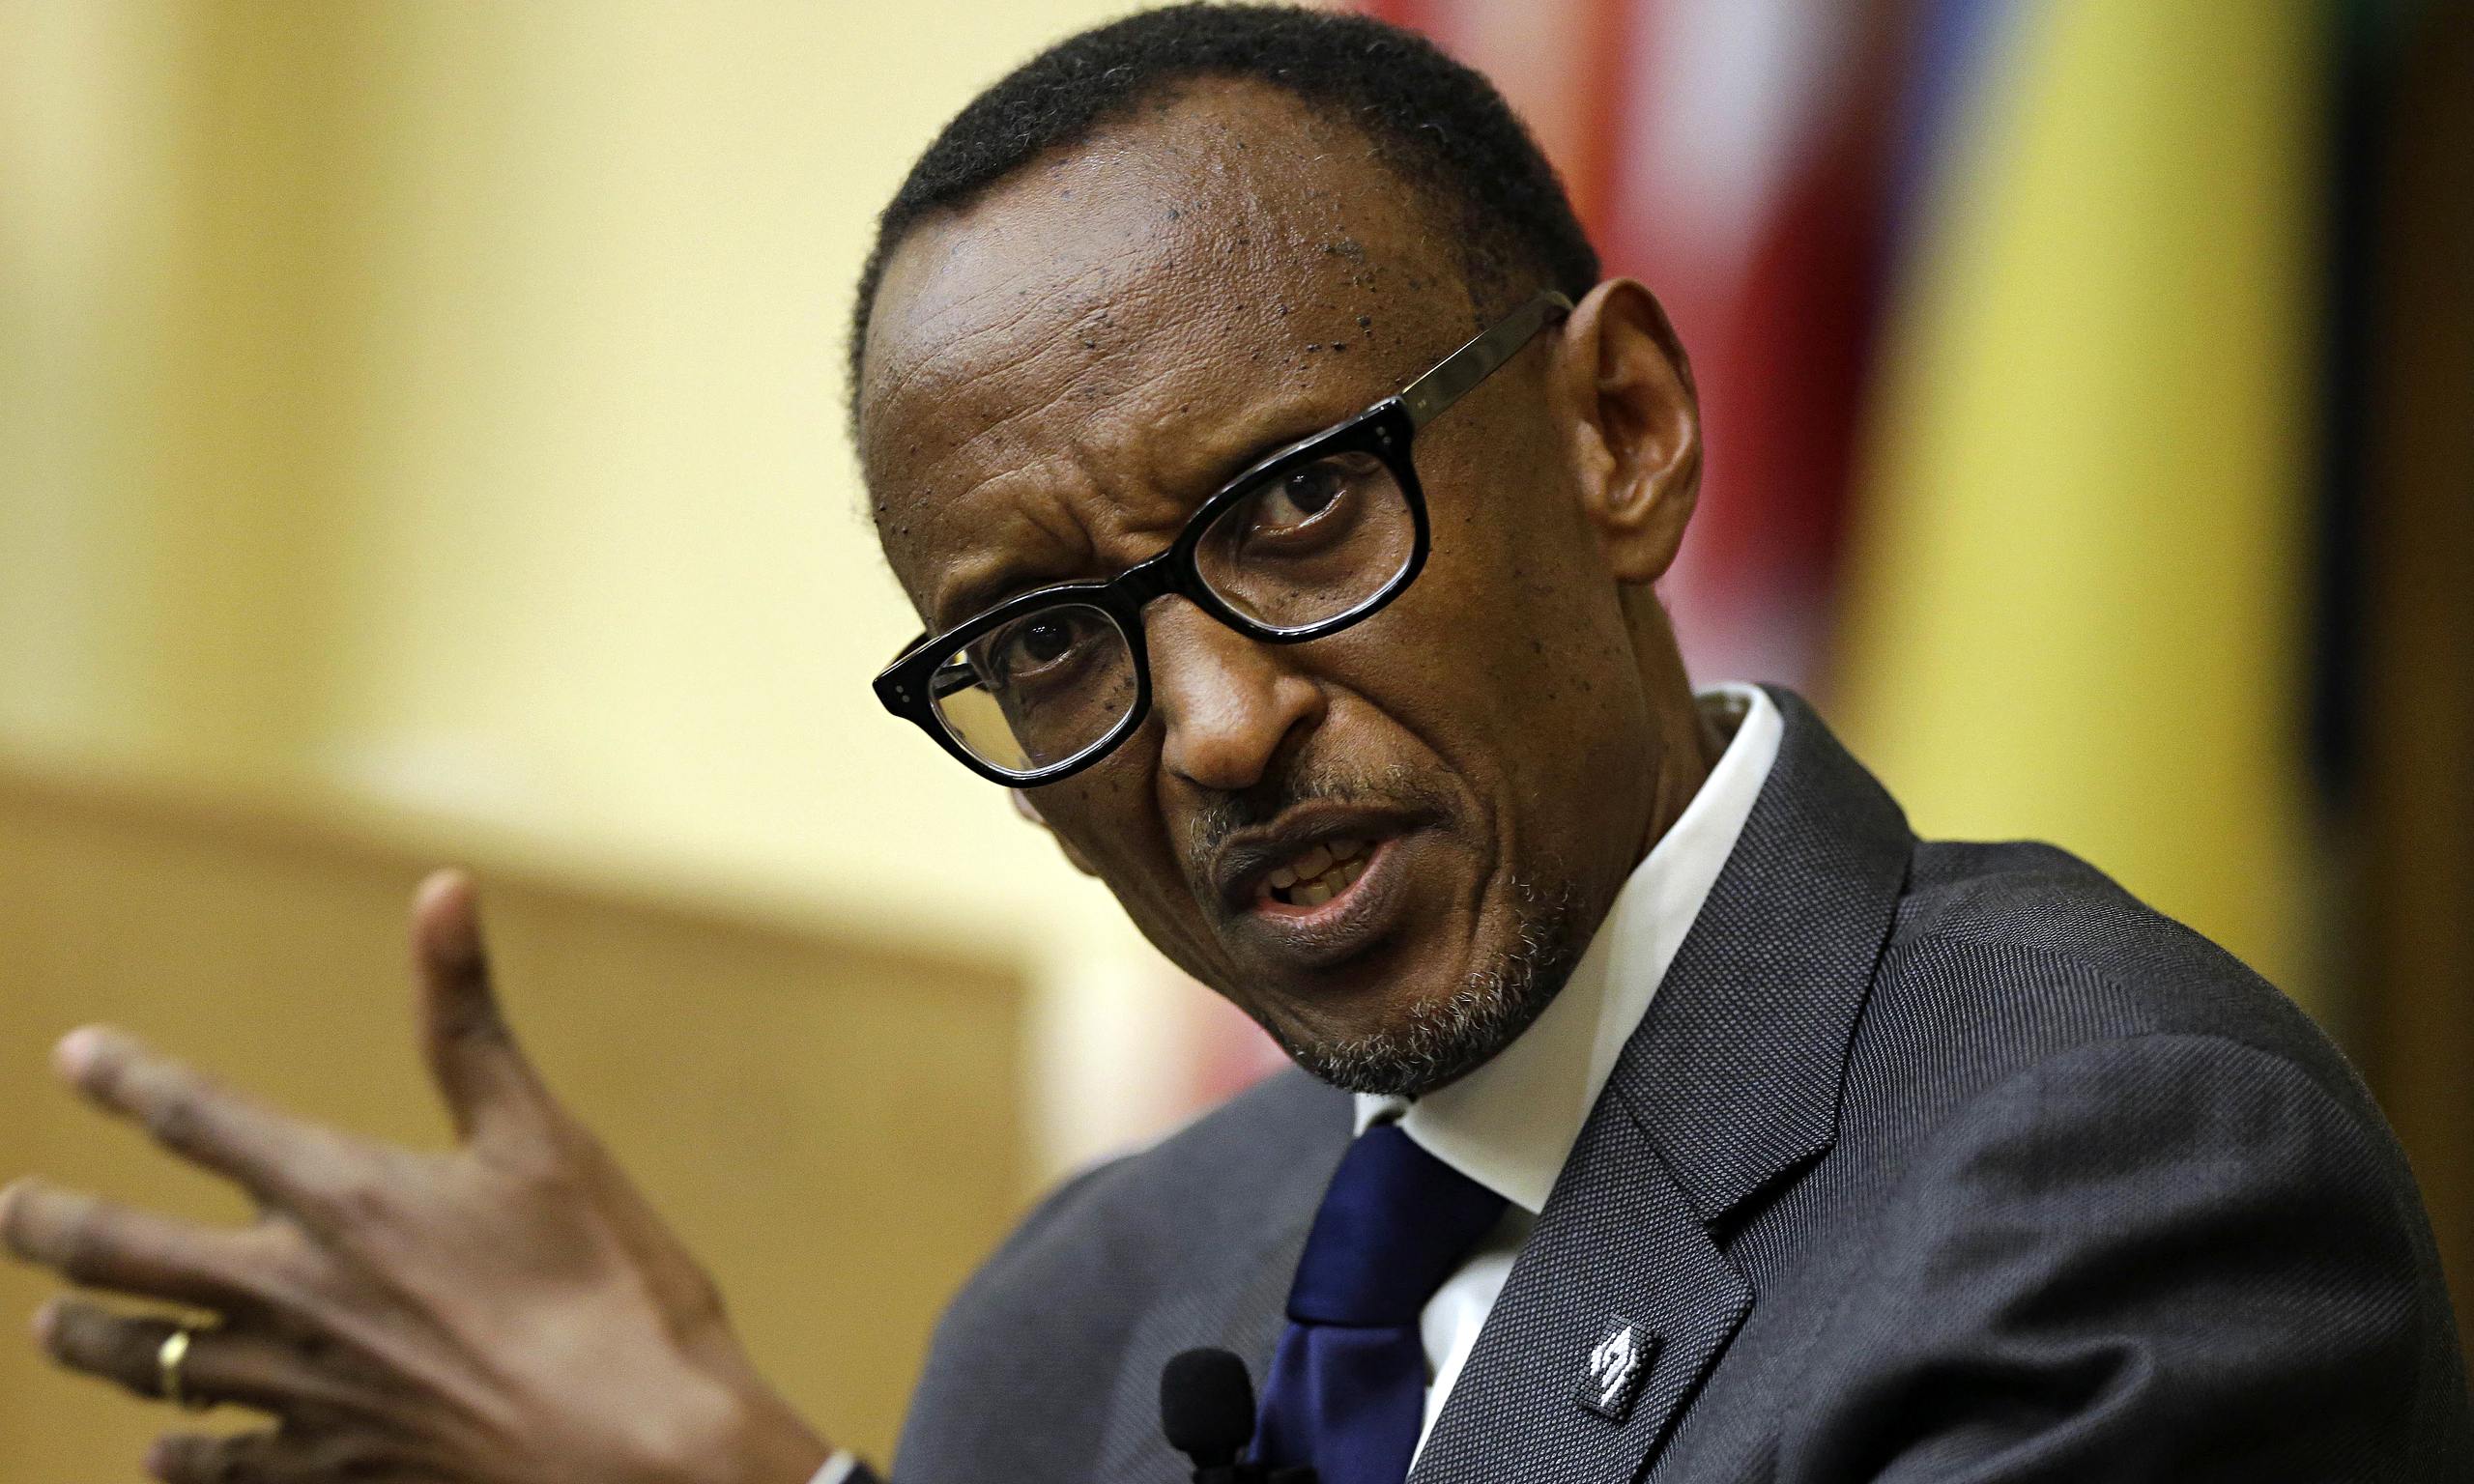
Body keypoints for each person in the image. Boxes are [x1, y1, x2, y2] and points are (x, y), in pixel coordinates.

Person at [5, 6, 2468, 1482]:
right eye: (1041, 644)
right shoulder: (1084, 1314)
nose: (1204, 727)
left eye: (1299, 508)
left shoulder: (2112, 1167)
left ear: (1617, 432)